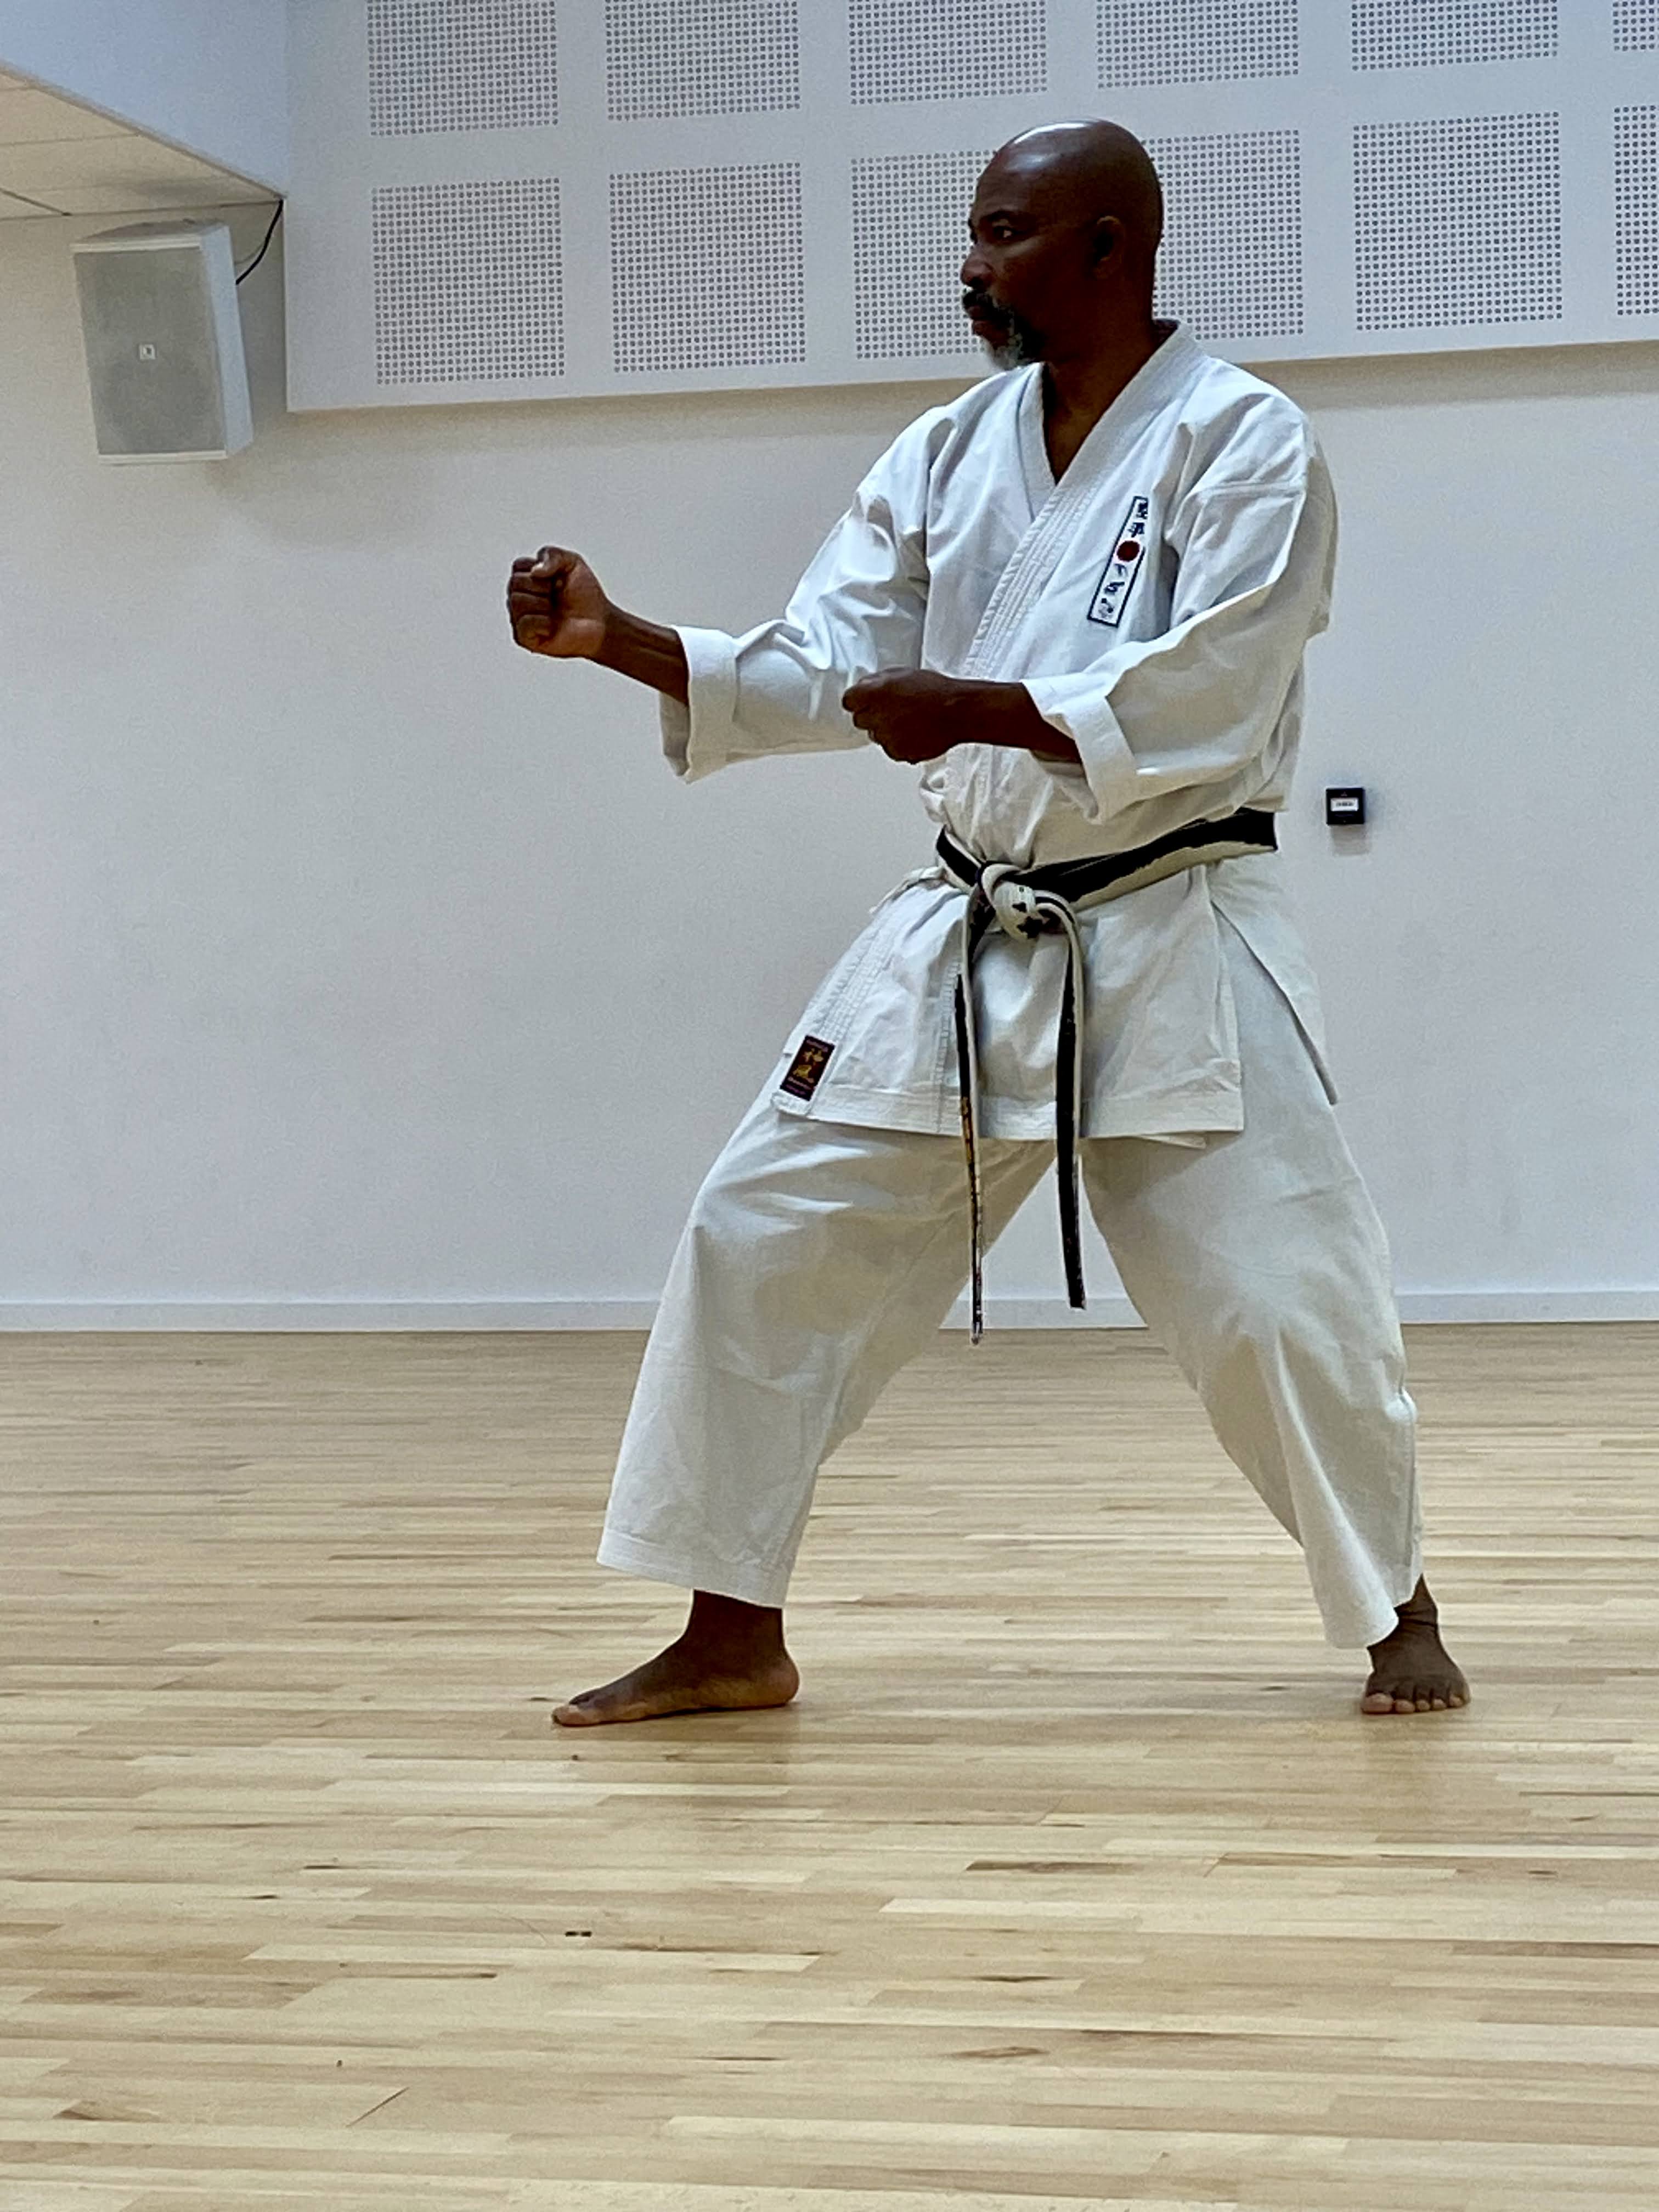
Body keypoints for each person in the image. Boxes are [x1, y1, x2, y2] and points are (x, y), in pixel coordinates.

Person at [507, 120, 1470, 1727]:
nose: (973, 268)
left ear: (1110, 247)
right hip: (968, 924)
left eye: (1005, 234)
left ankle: (1398, 1607)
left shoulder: (1245, 441)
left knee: (1279, 1294)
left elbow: (1219, 690)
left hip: (1175, 921)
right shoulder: (951, 449)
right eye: (974, 234)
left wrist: (982, 706)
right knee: (763, 1237)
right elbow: (831, 660)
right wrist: (628, 642)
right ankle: (732, 1629)